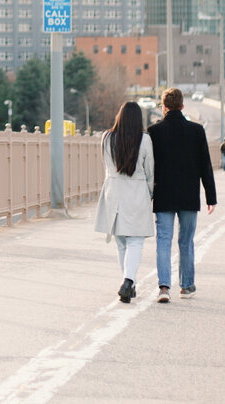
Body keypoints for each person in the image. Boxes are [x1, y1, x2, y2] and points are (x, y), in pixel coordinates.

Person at [147, 87, 217, 304]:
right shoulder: (197, 131)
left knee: (164, 240)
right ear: (183, 107)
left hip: (164, 194)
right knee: (186, 241)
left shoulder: (154, 132)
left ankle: (164, 288)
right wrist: (211, 197)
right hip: (189, 195)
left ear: (163, 108)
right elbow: (206, 165)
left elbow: (149, 167)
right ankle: (186, 286)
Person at [93, 101, 155, 304]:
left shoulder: (106, 138)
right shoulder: (144, 139)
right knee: (135, 240)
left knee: (121, 242)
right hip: (136, 192)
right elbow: (150, 171)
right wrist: (150, 194)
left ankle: (127, 284)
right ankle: (128, 281)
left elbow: (106, 166)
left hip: (114, 192)